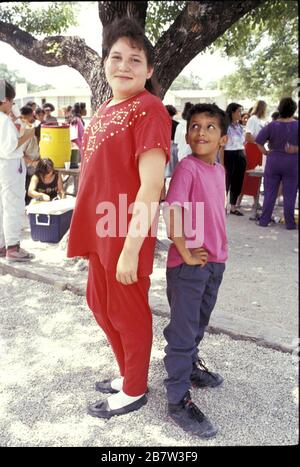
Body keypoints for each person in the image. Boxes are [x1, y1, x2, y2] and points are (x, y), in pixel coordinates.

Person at [67, 17, 171, 419]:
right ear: (105, 64)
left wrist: (130, 250)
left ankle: (134, 389)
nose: (124, 65)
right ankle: (129, 371)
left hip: (124, 231)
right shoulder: (107, 107)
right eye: (116, 57)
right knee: (100, 305)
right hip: (98, 231)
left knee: (127, 311)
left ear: (148, 70)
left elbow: (150, 187)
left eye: (135, 58)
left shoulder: (149, 110)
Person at [162, 103, 228, 438]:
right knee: (184, 331)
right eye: (195, 126)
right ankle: (176, 399)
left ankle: (188, 368)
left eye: (210, 127)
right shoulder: (187, 168)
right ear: (186, 134)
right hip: (189, 266)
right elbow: (172, 210)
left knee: (199, 323)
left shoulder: (218, 170)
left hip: (215, 262)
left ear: (223, 139)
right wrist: (185, 251)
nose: (200, 132)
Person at [0, 80, 35, 261]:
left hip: (3, 166)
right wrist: (28, 135)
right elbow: (10, 148)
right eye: (12, 102)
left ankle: (3, 244)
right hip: (10, 165)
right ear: (5, 99)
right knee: (13, 204)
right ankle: (13, 247)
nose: (13, 106)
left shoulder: (5, 119)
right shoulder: (4, 120)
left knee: (2, 206)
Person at [255, 97, 298, 230]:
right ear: (294, 110)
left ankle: (264, 220)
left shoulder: (272, 125)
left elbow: (258, 141)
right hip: (292, 162)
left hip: (274, 161)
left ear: (279, 109)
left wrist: (266, 152)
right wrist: (295, 149)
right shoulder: (297, 125)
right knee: (290, 194)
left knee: (270, 192)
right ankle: (290, 223)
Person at [239, 100, 267, 206]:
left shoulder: (261, 120)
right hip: (252, 149)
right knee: (248, 174)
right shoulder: (252, 119)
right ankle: (239, 199)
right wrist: (259, 141)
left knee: (257, 175)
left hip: (258, 149)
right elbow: (248, 136)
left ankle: (255, 200)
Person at [220, 102, 246, 216]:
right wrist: (221, 163)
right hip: (228, 155)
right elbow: (221, 146)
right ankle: (222, 207)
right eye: (239, 111)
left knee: (238, 182)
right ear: (232, 112)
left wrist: (244, 156)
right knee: (226, 182)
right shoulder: (225, 127)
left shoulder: (240, 127)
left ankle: (233, 207)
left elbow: (242, 143)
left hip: (240, 155)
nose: (241, 113)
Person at [19, 106, 41, 205]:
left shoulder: (35, 129)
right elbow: (20, 154)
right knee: (27, 194)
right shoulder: (27, 133)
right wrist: (32, 163)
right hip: (26, 169)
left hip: (36, 167)